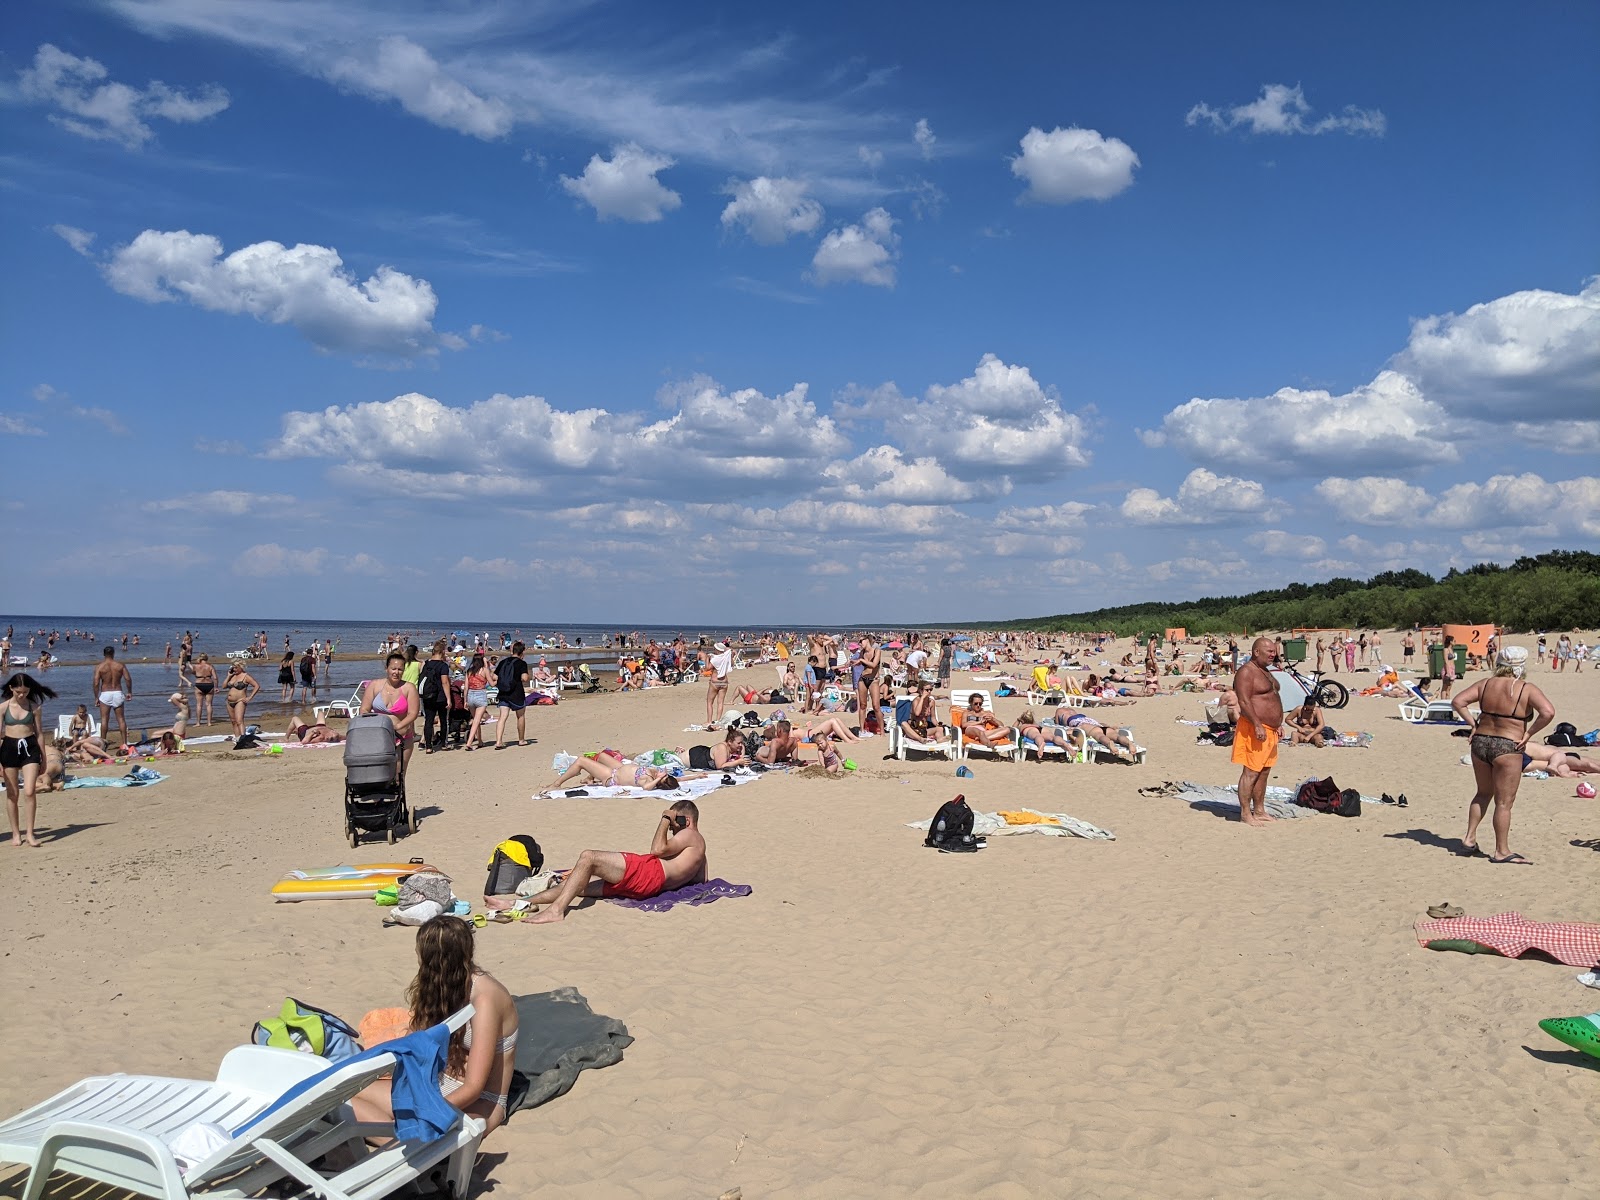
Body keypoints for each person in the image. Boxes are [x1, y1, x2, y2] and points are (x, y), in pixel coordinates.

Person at [352, 916, 520, 1134]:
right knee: (346, 1095)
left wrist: (425, 1111)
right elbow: (416, 1040)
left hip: (480, 1103)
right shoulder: (440, 986)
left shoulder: (485, 1000)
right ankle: (393, 1138)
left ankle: (395, 1140)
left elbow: (474, 1088)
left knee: (416, 1131)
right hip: (434, 1085)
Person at [524, 799, 706, 923]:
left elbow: (657, 850)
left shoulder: (690, 834)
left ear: (687, 821)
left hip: (648, 872)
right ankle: (522, 903)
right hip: (648, 888)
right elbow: (700, 881)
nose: (673, 829)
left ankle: (556, 910)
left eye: (676, 822)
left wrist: (665, 819)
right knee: (578, 885)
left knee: (589, 857)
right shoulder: (699, 853)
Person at [1452, 645, 1554, 863]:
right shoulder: (1526, 688)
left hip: (1480, 742)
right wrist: (1529, 733)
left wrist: (1473, 724)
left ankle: (1469, 839)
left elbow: (1458, 701)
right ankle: (1501, 851)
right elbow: (1548, 712)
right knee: (1504, 802)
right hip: (1508, 745)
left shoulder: (1486, 683)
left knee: (1482, 793)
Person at [1231, 637, 1283, 827]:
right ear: (1256, 652)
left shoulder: (1265, 671)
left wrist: (1278, 724)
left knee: (1264, 771)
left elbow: (1272, 698)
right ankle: (1246, 813)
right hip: (1255, 728)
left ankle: (1259, 810)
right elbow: (1243, 702)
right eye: (1269, 651)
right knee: (1251, 772)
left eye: (1274, 651)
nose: (1273, 654)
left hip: (1271, 729)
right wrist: (1257, 725)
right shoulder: (1246, 672)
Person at [3, 673, 55, 847]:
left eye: (24, 692)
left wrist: (44, 758)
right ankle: (16, 834)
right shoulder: (3, 708)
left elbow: (40, 734)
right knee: (12, 794)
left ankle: (30, 834)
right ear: (11, 688)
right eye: (18, 691)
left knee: (30, 791)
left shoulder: (34, 707)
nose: (21, 695)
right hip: (9, 748)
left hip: (30, 748)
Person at [362, 652, 422, 776]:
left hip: (402, 738)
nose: (396, 672)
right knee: (378, 775)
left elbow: (413, 713)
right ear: (387, 669)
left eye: (400, 669)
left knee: (398, 775)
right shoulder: (375, 685)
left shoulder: (409, 688)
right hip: (379, 737)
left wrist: (397, 727)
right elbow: (364, 710)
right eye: (393, 668)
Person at [551, 751, 681, 790]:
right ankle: (589, 778)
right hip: (619, 768)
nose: (661, 773)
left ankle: (557, 783)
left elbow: (646, 788)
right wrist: (697, 776)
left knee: (581, 760)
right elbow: (679, 779)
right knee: (601, 756)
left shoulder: (648, 780)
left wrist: (658, 778)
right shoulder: (653, 774)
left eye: (662, 776)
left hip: (612, 776)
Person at [492, 642, 532, 749]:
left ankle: (499, 741)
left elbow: (494, 677)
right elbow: (524, 678)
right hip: (516, 693)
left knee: (502, 717)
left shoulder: (503, 662)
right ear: (522, 652)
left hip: (503, 692)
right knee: (520, 716)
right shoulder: (521, 663)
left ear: (512, 650)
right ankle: (521, 740)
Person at [92, 646, 133, 749]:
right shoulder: (120, 665)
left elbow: (96, 683)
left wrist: (96, 697)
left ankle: (102, 745)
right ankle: (125, 744)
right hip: (118, 692)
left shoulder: (100, 667)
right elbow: (128, 679)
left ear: (104, 654)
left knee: (104, 719)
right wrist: (129, 692)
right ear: (113, 653)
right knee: (121, 719)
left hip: (105, 694)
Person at [419, 642, 452, 753]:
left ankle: (428, 746)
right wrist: (449, 698)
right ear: (442, 652)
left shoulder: (426, 663)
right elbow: (445, 683)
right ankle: (443, 744)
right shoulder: (443, 666)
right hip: (440, 696)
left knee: (429, 720)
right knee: (443, 720)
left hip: (427, 695)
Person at [899, 681, 947, 749]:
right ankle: (920, 739)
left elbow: (933, 718)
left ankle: (939, 740)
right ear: (921, 691)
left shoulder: (931, 702)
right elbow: (917, 713)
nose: (929, 691)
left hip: (924, 730)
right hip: (913, 729)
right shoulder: (916, 700)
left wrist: (938, 724)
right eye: (927, 690)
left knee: (939, 729)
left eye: (931, 689)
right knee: (903, 724)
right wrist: (922, 698)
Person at [221, 661, 260, 738]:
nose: (234, 669)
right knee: (233, 721)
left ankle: (243, 738)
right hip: (229, 702)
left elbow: (257, 686)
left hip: (240, 701)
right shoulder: (232, 676)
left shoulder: (246, 676)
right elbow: (224, 686)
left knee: (239, 721)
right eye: (233, 667)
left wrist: (250, 697)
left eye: (236, 667)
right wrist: (228, 676)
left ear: (241, 667)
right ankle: (237, 738)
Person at [462, 654, 493, 751]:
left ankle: (480, 741)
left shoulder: (469, 671)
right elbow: (491, 684)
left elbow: (466, 687)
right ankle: (469, 743)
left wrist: (465, 701)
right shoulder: (484, 670)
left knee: (476, 719)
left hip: (471, 695)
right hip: (480, 695)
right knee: (476, 720)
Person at [706, 640, 734, 726]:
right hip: (724, 681)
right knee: (720, 702)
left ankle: (710, 721)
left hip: (715, 681)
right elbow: (732, 664)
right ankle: (718, 720)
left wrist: (707, 659)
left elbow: (708, 668)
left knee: (709, 702)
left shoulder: (715, 658)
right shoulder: (726, 657)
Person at [191, 653, 217, 724]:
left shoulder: (196, 666)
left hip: (199, 684)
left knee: (199, 704)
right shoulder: (210, 666)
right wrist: (216, 687)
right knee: (209, 704)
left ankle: (198, 722)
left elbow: (193, 673)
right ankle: (209, 722)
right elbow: (215, 677)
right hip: (209, 684)